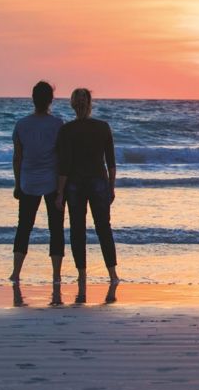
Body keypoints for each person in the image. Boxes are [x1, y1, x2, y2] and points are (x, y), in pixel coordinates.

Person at [55, 88, 119, 288]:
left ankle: (82, 275)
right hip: (99, 182)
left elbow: (64, 166)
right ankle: (113, 274)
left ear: (73, 105)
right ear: (90, 104)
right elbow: (111, 163)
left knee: (77, 229)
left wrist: (59, 193)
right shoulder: (103, 127)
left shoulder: (67, 130)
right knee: (103, 228)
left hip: (75, 184)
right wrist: (111, 187)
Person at [10, 81, 65, 283]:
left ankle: (16, 272)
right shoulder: (58, 124)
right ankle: (56, 274)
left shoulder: (21, 125)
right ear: (51, 100)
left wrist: (17, 184)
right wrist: (62, 188)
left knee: (24, 227)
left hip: (28, 182)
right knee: (56, 229)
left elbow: (17, 158)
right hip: (52, 182)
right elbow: (62, 157)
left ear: (33, 99)